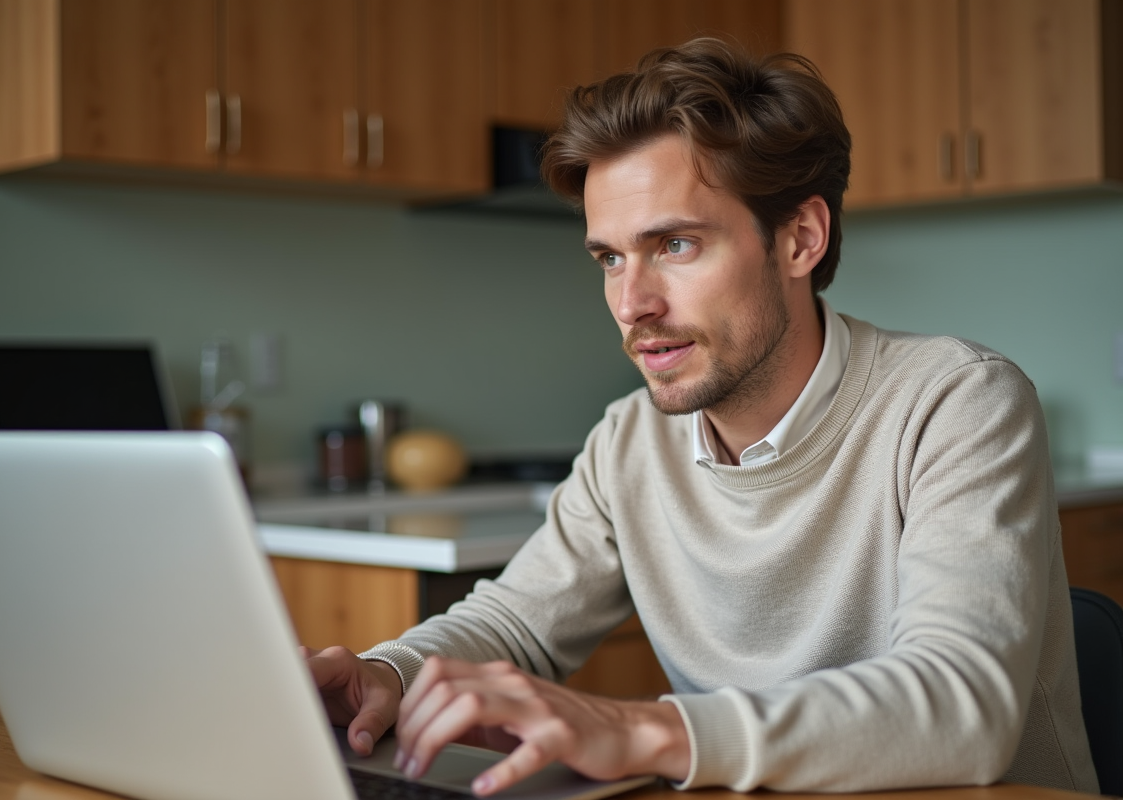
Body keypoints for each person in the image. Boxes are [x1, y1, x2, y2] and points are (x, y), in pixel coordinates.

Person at [303, 38, 1097, 795]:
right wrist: (387, 676)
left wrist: (643, 731)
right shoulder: (628, 442)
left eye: (674, 245)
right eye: (609, 257)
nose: (630, 303)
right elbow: (516, 624)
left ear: (800, 238)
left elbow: (962, 709)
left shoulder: (958, 402)